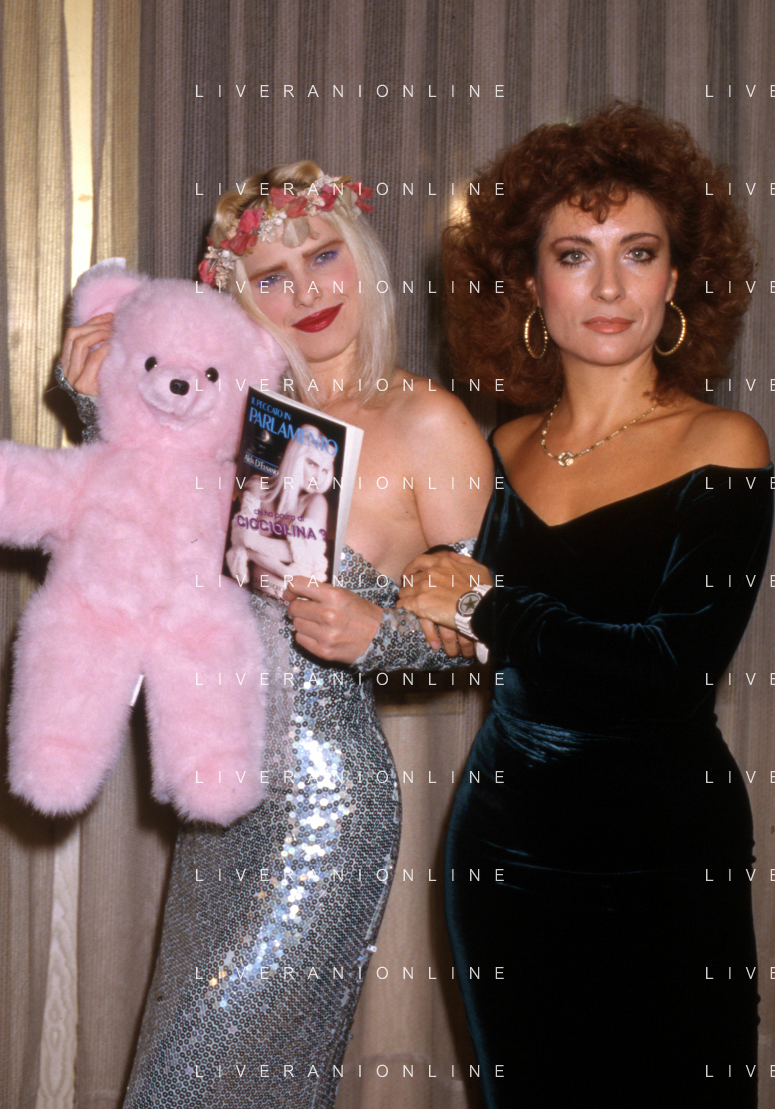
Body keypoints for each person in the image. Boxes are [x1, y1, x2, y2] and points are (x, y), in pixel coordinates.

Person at [58, 163, 492, 1106]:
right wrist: (101, 407)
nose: (308, 291)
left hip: (322, 807)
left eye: (323, 256)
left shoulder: (427, 421)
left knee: (196, 1079)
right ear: (237, 294)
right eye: (273, 276)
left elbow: (483, 623)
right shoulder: (224, 419)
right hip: (220, 794)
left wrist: (381, 636)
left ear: (360, 257)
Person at [396, 103, 773, 1107]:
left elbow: (669, 673)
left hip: (667, 861)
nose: (608, 287)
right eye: (574, 255)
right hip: (503, 857)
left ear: (676, 277)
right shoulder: (492, 450)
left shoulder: (723, 444)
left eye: (637, 253)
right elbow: (413, 598)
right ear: (527, 282)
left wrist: (488, 605)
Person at [226, 424, 335, 595]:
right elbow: (237, 540)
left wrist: (250, 548)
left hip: (288, 604)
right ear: (295, 457)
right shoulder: (259, 487)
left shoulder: (316, 502)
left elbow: (306, 558)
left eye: (324, 470)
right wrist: (249, 544)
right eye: (312, 464)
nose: (318, 477)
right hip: (242, 593)